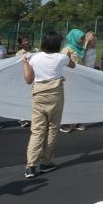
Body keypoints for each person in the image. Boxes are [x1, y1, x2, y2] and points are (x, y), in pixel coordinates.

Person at [22, 31, 76, 178]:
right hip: (56, 94)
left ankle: (30, 166)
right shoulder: (61, 57)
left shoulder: (35, 57)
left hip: (38, 94)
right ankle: (46, 162)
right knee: (52, 128)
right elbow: (73, 65)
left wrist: (25, 64)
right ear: (57, 44)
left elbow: (28, 80)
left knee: (37, 130)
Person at [59, 28, 88, 133]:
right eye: (81, 38)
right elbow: (61, 64)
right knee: (67, 101)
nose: (83, 40)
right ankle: (64, 122)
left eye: (83, 38)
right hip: (68, 79)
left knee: (78, 100)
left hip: (78, 79)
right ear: (74, 38)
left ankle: (76, 121)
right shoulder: (67, 49)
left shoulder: (80, 49)